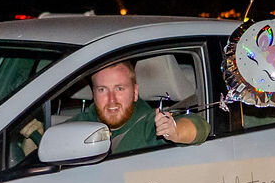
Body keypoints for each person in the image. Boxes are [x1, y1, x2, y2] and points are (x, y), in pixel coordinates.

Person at [77, 60, 210, 154]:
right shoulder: (80, 124)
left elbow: (200, 126)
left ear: (135, 93)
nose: (112, 99)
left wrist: (175, 131)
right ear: (93, 94)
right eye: (102, 90)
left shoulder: (149, 124)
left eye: (119, 89)